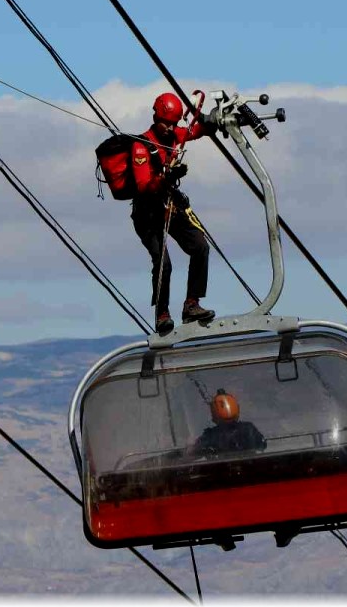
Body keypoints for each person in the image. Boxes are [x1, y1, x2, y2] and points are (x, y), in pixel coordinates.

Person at [130, 92, 217, 335]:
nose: (170, 128)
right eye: (165, 123)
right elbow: (143, 186)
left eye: (173, 123)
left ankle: (191, 304)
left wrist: (212, 123)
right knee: (163, 263)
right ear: (156, 117)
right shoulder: (141, 146)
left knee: (200, 246)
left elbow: (193, 132)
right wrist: (165, 177)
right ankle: (162, 314)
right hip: (148, 214)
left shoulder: (174, 134)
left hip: (171, 206)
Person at [191, 389, 267, 458]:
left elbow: (194, 453)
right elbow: (263, 445)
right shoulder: (248, 428)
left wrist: (191, 447)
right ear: (236, 408)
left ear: (214, 413)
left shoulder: (211, 435)